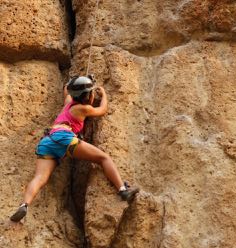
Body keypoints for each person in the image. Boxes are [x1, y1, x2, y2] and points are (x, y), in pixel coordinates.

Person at [10, 75, 139, 222]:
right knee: (104, 158)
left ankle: (24, 205)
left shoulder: (68, 103)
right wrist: (104, 94)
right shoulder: (83, 108)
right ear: (89, 96)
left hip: (47, 141)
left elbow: (67, 90)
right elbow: (102, 110)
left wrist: (76, 81)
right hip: (64, 138)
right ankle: (123, 190)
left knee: (39, 178)